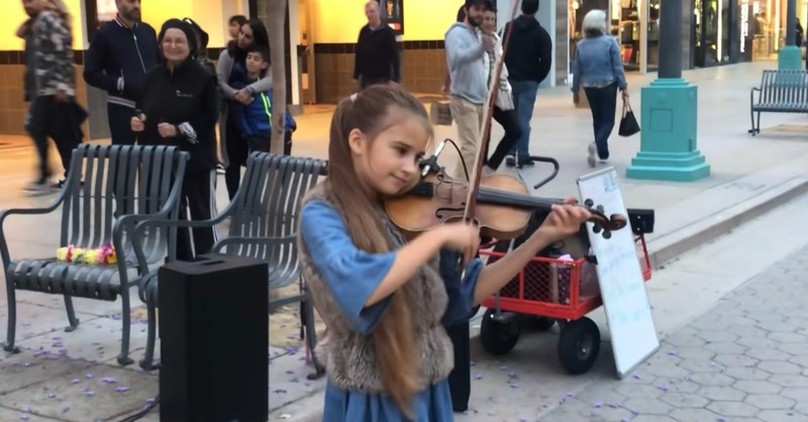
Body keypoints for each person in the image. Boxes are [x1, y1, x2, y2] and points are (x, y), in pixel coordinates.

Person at [296, 83, 590, 421]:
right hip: (372, 397)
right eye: (400, 150)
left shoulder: (415, 213)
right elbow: (361, 284)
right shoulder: (323, 212)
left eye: (418, 157)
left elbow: (464, 296)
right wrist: (436, 240)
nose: (410, 168)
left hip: (429, 388)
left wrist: (540, 237)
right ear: (358, 141)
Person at [131, 19, 218, 261]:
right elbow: (142, 107)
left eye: (179, 41)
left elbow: (209, 119)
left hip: (197, 162)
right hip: (164, 163)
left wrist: (179, 131)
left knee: (203, 218)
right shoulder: (152, 77)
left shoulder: (203, 77)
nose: (173, 45)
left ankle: (210, 268)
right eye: (168, 40)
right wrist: (139, 119)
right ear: (160, 45)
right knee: (172, 217)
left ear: (191, 45)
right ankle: (181, 266)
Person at [20, 0, 87, 193]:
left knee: (58, 132)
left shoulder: (50, 19)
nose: (27, 6)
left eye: (31, 1)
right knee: (56, 132)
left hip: (53, 90)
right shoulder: (41, 20)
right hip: (46, 89)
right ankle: (58, 173)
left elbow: (61, 53)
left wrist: (61, 86)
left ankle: (63, 174)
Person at [83, 0, 159, 146]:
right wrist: (120, 83)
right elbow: (91, 73)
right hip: (122, 106)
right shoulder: (104, 35)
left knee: (152, 157)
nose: (136, 5)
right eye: (131, 1)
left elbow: (158, 65)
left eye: (138, 1)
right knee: (124, 161)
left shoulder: (148, 31)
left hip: (150, 106)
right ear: (117, 3)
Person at [217, 18, 272, 200]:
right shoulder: (228, 55)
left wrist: (249, 90)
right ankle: (234, 204)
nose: (242, 38)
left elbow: (272, 79)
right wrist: (236, 94)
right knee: (231, 161)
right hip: (232, 116)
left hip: (255, 118)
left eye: (248, 36)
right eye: (241, 33)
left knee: (255, 162)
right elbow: (220, 81)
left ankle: (252, 203)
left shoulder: (263, 56)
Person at [571, 9, 628, 167]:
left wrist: (575, 91)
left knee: (598, 119)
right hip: (608, 84)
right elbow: (617, 67)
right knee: (608, 120)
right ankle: (597, 144)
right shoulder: (610, 42)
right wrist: (624, 86)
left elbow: (577, 70)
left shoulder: (581, 45)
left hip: (589, 86)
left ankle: (603, 152)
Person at [444, 0, 494, 180]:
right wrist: (481, 49)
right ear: (466, 10)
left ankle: (467, 185)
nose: (480, 14)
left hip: (479, 99)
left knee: (476, 149)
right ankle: (461, 188)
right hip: (464, 99)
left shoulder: (476, 34)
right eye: (476, 9)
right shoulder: (456, 33)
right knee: (471, 148)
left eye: (482, 10)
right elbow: (457, 58)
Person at [501, 0, 552, 168]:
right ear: (536, 9)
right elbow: (546, 61)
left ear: (521, 7)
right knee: (524, 119)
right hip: (529, 82)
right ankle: (523, 154)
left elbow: (499, 51)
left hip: (509, 80)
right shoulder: (541, 34)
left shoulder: (508, 29)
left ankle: (509, 152)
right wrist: (537, 78)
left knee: (511, 118)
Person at [230, 47, 297, 155]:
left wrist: (290, 124)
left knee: (283, 168)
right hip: (259, 136)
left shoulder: (268, 84)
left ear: (264, 65)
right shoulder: (240, 87)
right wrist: (249, 135)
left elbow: (282, 105)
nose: (251, 61)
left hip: (281, 133)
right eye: (249, 57)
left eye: (256, 59)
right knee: (260, 170)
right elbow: (239, 114)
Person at [353, 0, 401, 89]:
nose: (369, 15)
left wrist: (396, 79)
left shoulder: (387, 32)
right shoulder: (364, 31)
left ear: (378, 12)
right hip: (366, 77)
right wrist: (356, 75)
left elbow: (394, 56)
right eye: (367, 12)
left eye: (372, 11)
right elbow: (359, 53)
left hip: (383, 77)